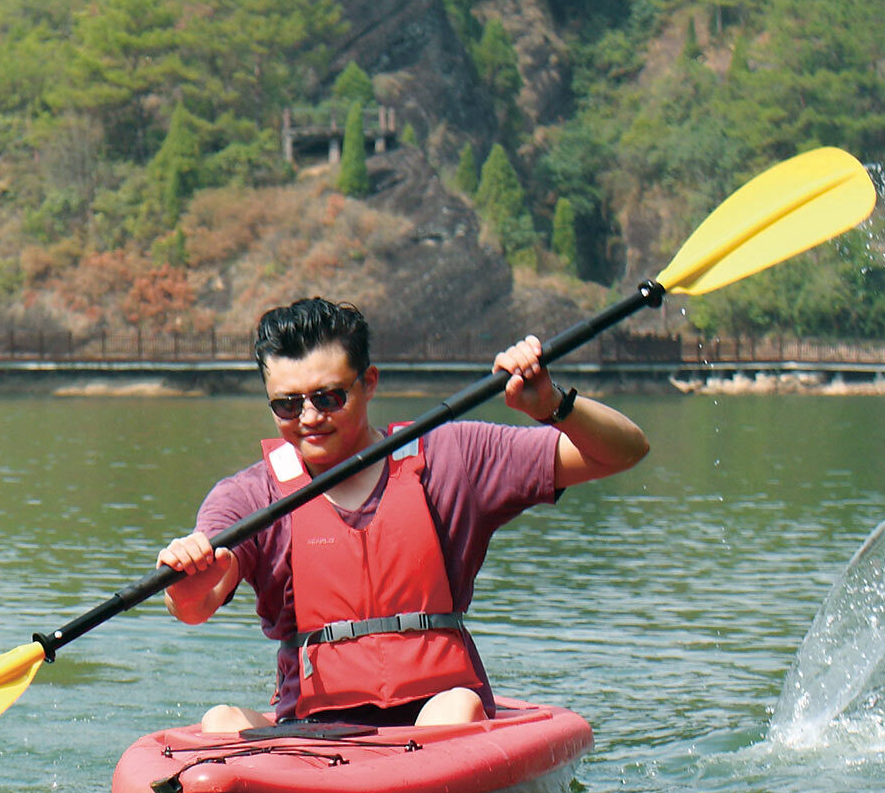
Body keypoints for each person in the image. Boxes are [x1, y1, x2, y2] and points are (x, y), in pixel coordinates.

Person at [157, 297, 648, 732]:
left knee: (456, 708)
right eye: (287, 405)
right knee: (219, 721)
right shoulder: (249, 495)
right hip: (312, 732)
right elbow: (195, 605)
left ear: (368, 382)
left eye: (328, 398)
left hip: (437, 717)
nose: (308, 418)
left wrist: (554, 405)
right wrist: (188, 570)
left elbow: (624, 451)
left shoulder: (454, 455)